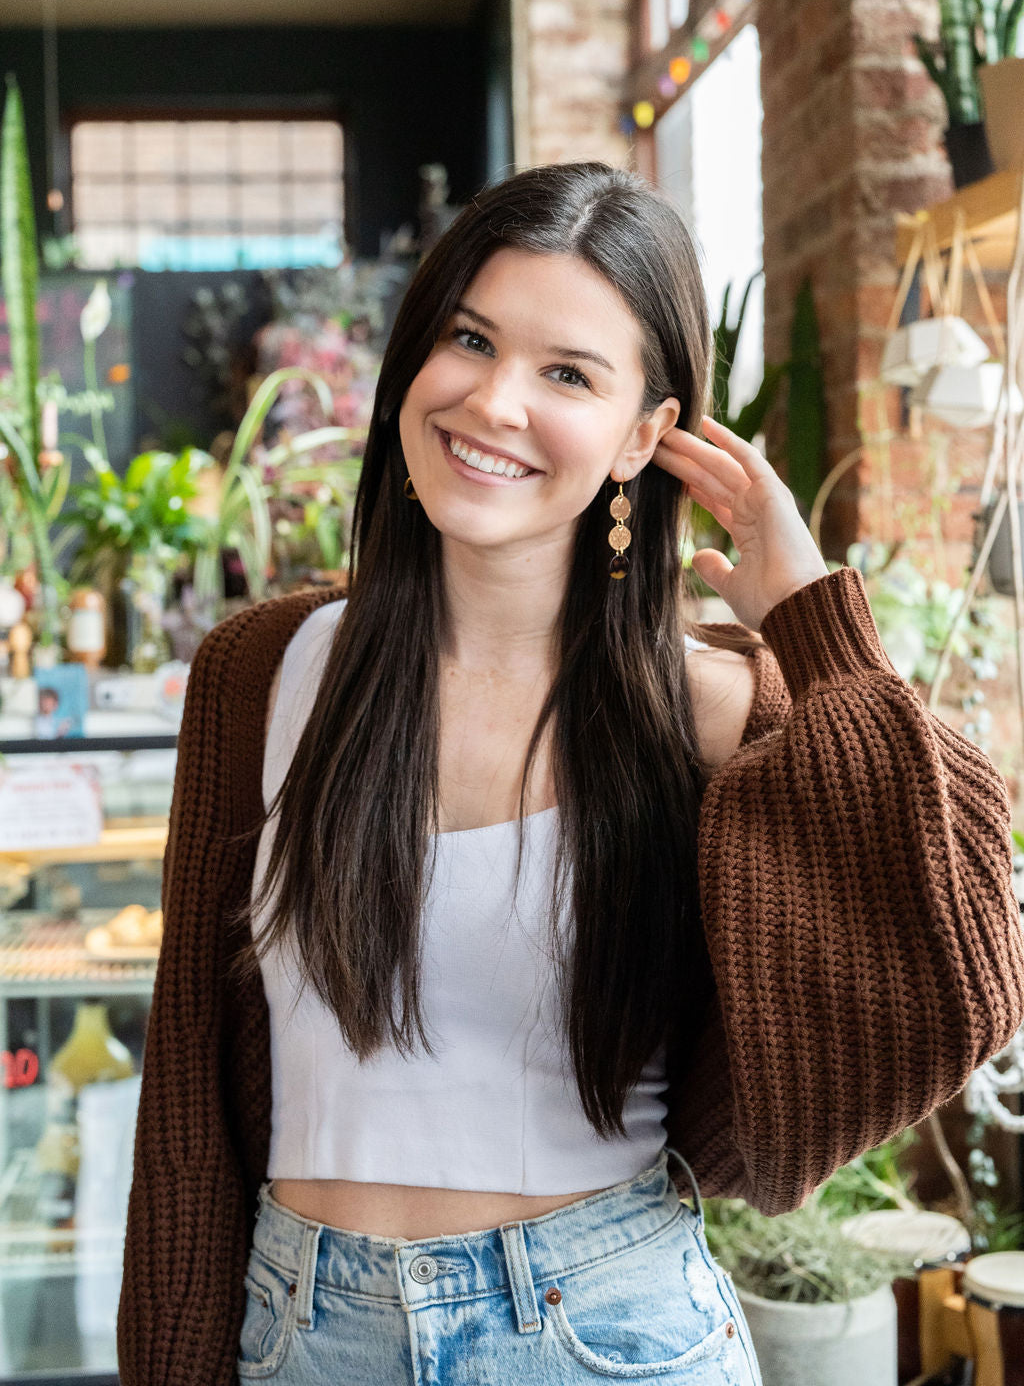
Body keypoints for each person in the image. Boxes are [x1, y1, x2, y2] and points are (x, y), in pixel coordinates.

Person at [116, 162, 1024, 1386]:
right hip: (301, 1333)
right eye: (469, 338)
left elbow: (959, 971)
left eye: (566, 374)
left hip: (604, 1330)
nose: (493, 401)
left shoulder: (709, 708)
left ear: (645, 435)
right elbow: (185, 1117)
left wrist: (815, 622)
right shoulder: (262, 673)